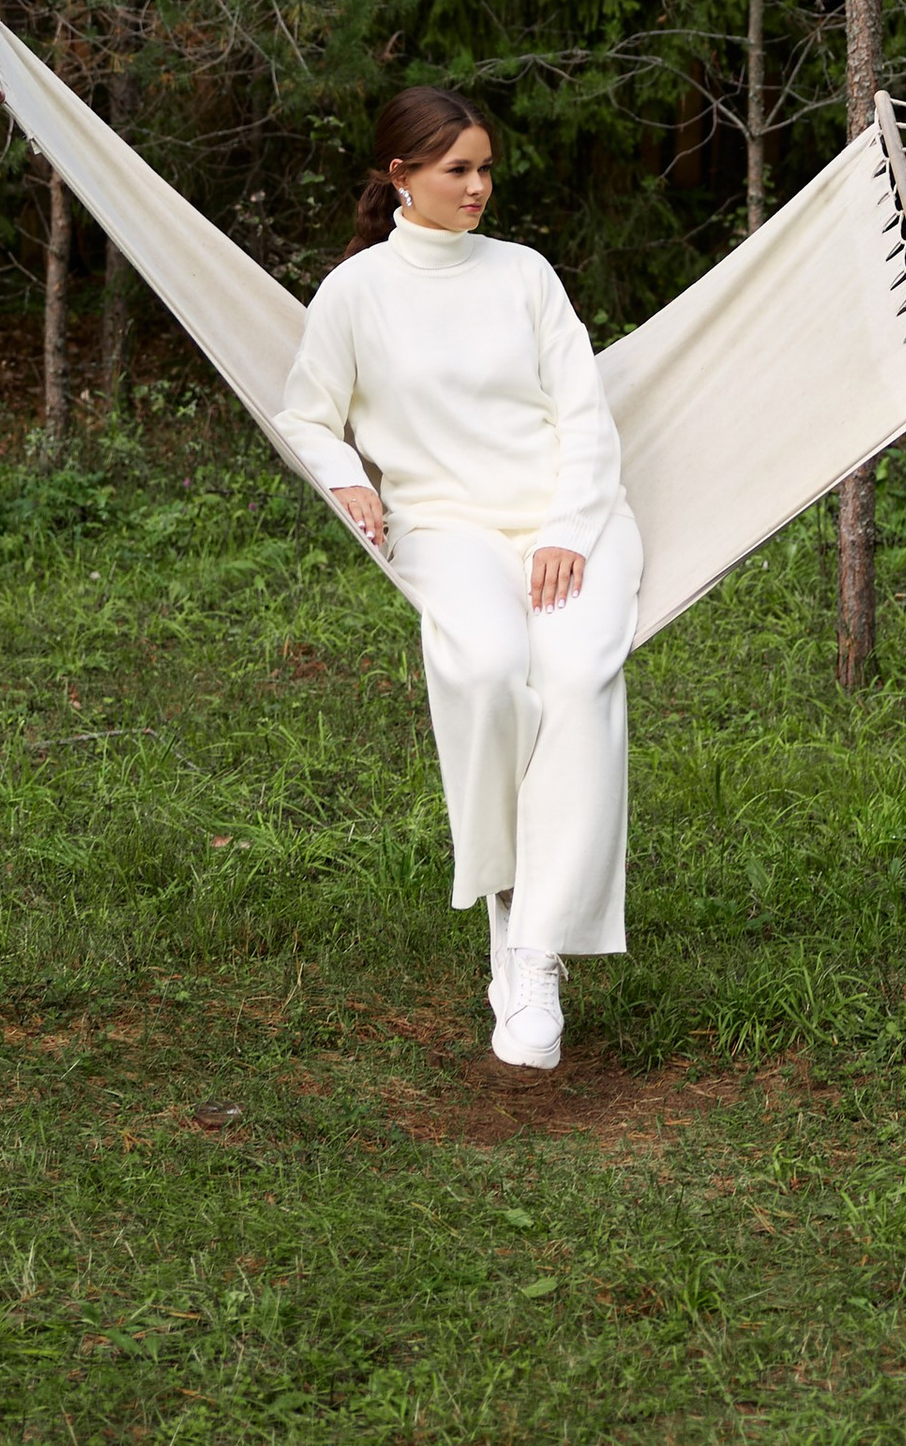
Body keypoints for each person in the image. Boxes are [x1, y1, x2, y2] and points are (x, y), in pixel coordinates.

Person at [274, 86, 641, 1073]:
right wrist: (348, 480)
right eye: (457, 171)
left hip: (572, 520)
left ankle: (533, 958)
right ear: (401, 177)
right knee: (484, 671)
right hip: (442, 527)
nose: (479, 187)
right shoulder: (355, 293)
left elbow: (585, 414)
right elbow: (307, 414)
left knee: (572, 684)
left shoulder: (524, 274)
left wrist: (569, 525)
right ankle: (507, 905)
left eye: (485, 168)